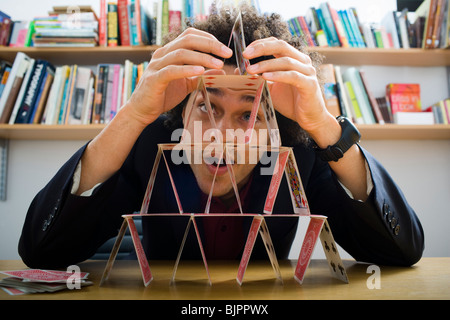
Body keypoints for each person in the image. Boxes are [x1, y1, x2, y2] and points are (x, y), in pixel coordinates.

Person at [19, 5, 424, 269]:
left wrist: (323, 125)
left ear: (275, 134)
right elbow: (41, 251)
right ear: (180, 115)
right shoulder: (147, 148)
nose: (221, 136)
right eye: (207, 108)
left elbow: (399, 251)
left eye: (249, 114)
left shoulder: (299, 157)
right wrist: (134, 114)